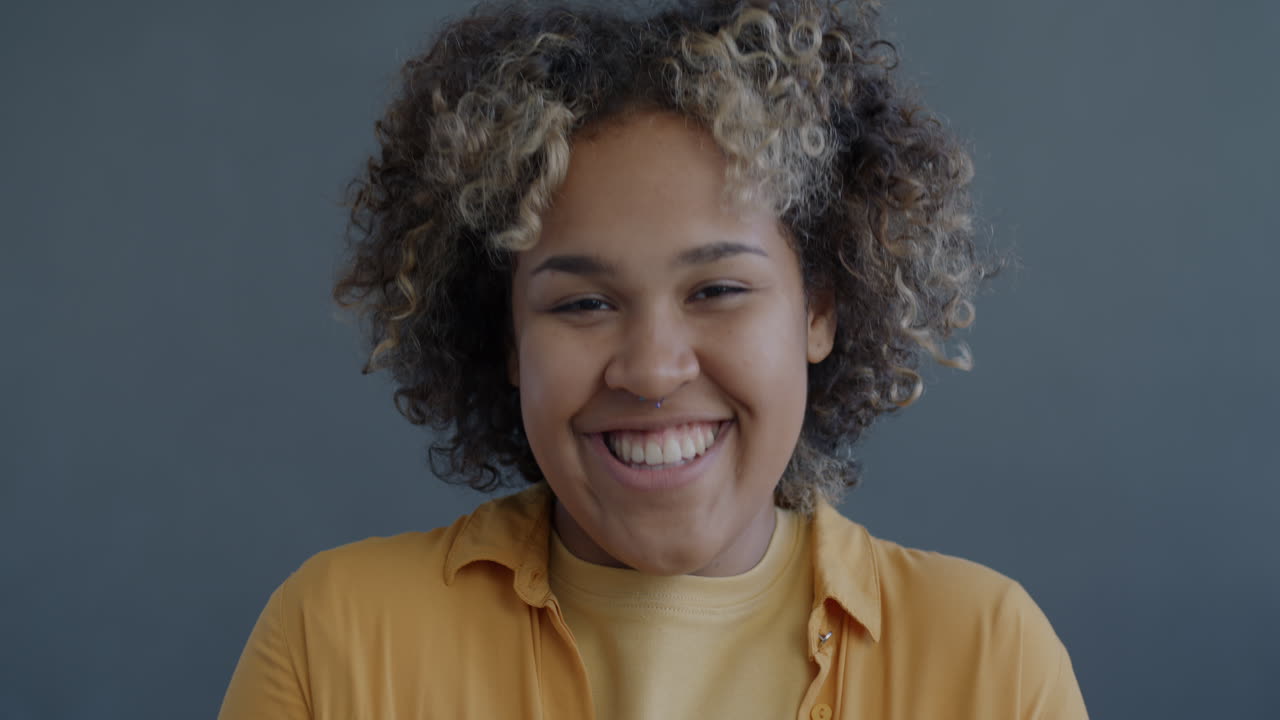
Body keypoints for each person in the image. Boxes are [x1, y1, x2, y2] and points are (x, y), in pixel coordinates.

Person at [218, 0, 1088, 717]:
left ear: (819, 310)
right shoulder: (335, 644)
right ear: (510, 339)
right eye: (584, 303)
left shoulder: (988, 663)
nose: (652, 368)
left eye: (717, 290)